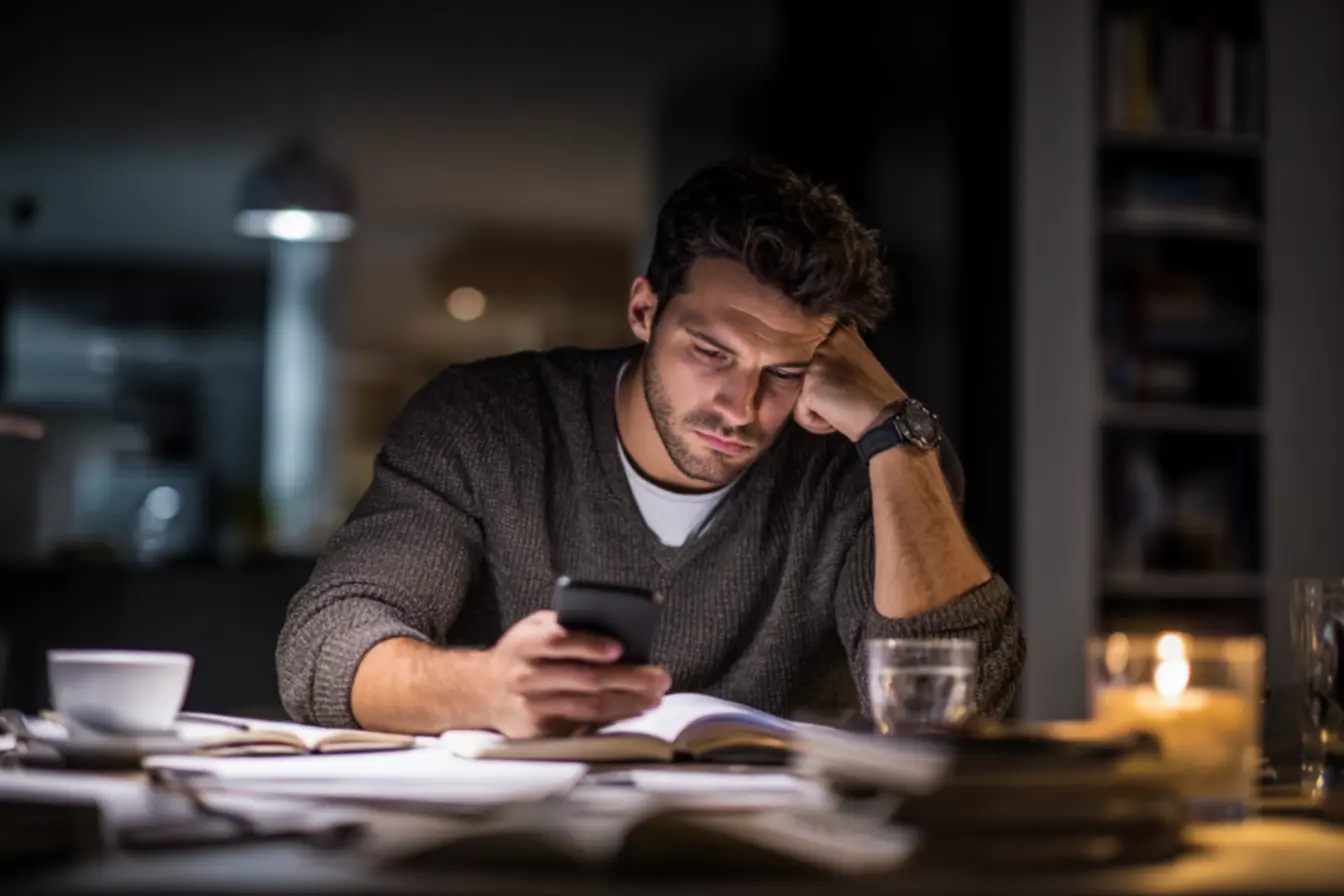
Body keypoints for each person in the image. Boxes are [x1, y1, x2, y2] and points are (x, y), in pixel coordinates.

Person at [277, 155, 1025, 737]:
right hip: (517, 842)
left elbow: (959, 711)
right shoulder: (483, 423)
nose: (739, 407)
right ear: (644, 310)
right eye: (711, 351)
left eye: (785, 372)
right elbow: (324, 646)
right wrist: (489, 690)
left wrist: (891, 428)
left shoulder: (880, 464)